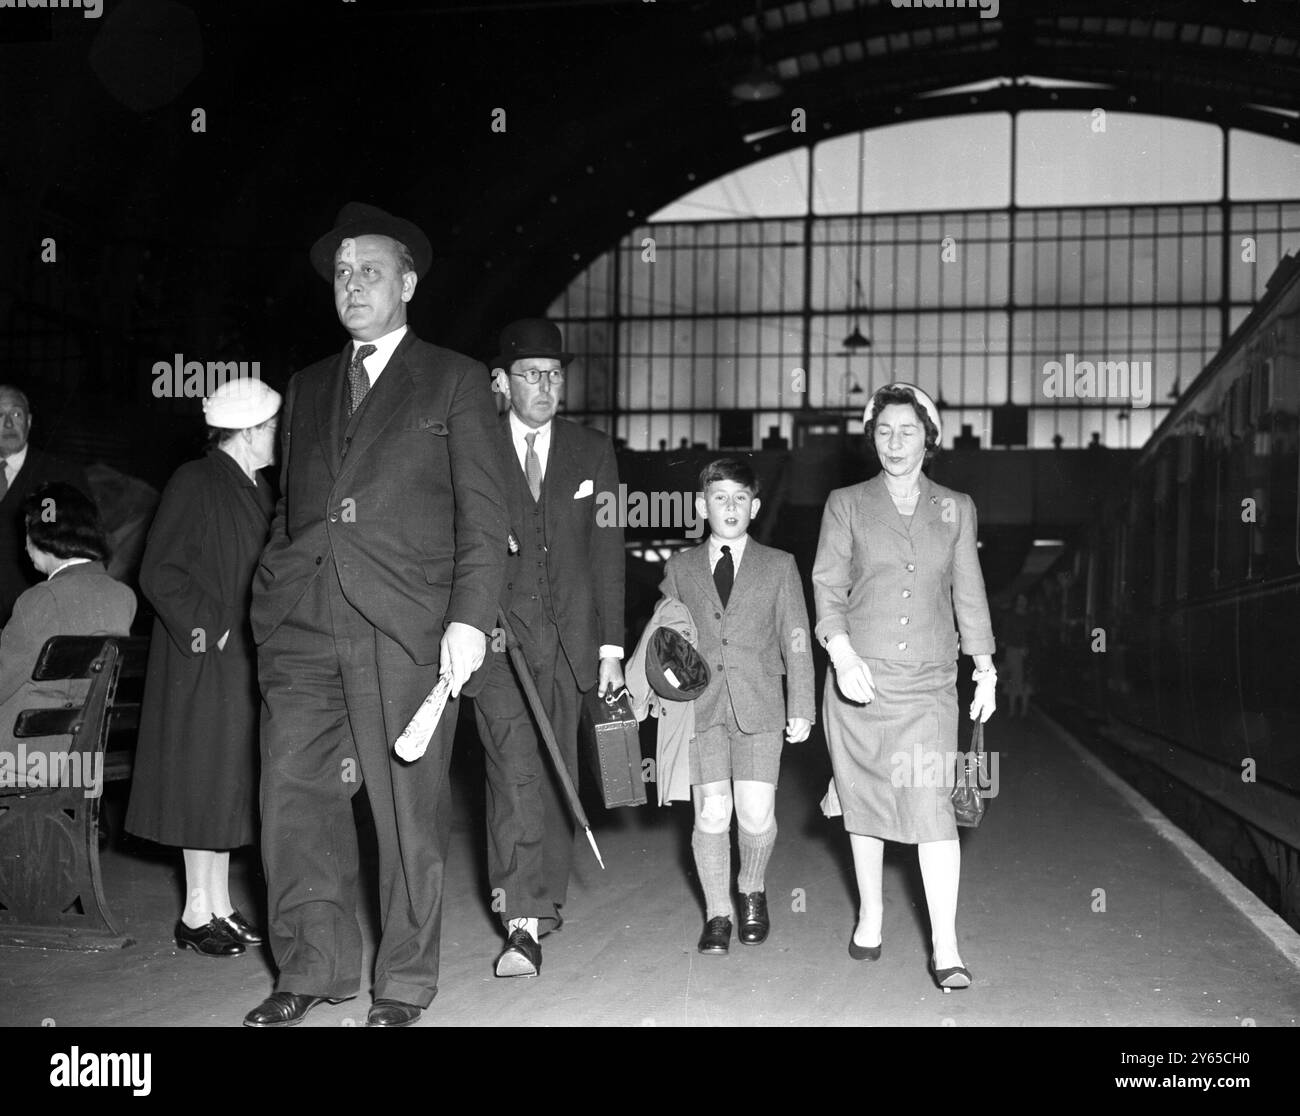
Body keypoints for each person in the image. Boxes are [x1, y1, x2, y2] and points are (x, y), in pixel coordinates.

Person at [244, 203, 508, 1028]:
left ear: (408, 282)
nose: (352, 285)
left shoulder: (457, 379)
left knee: (406, 816)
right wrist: (273, 603)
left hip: (407, 631)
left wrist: (469, 619)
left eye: (370, 270)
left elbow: (485, 516)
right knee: (293, 804)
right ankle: (311, 967)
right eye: (342, 273)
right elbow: (294, 510)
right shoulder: (308, 384)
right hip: (304, 625)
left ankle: (401, 985)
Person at [812, 383, 995, 990]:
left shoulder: (956, 507)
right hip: (858, 681)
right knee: (863, 804)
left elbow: (968, 592)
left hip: (930, 685)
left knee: (931, 809)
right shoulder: (846, 503)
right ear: (873, 438)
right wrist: (839, 654)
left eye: (908, 431)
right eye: (884, 431)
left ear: (929, 438)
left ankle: (945, 944)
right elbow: (827, 588)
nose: (895, 442)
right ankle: (871, 914)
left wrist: (986, 668)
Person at [469, 318, 625, 978]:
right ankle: (521, 922)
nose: (546, 386)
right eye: (531, 374)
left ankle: (544, 902)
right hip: (499, 643)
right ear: (501, 382)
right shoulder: (472, 449)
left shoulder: (594, 451)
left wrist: (612, 647)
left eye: (556, 374)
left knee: (561, 777)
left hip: (572, 643)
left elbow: (609, 553)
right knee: (514, 774)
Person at [125, 378, 283, 959]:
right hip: (203, 662)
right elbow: (160, 572)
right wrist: (209, 632)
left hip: (239, 660)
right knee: (203, 784)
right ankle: (195, 912)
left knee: (224, 786)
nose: (276, 440)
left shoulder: (256, 488)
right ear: (246, 432)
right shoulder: (197, 479)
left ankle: (217, 904)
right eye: (269, 430)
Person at [655, 458, 814, 955]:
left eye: (740, 498)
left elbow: (797, 639)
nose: (730, 507)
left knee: (755, 811)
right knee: (711, 814)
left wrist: (802, 705)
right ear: (703, 505)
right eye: (719, 497)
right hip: (700, 710)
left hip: (761, 705)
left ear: (755, 506)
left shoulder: (779, 565)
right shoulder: (679, 568)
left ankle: (752, 887)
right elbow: (664, 641)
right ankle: (718, 913)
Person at [0, 483, 135, 787]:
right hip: (82, 757)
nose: (23, 545)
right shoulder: (124, 597)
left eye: (26, 533)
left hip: (22, 756)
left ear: (44, 536)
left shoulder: (43, 598)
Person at [0, 386, 93, 626]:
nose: (9, 424)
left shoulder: (61, 474)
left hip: (37, 619)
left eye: (17, 414)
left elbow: (87, 544)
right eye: (0, 415)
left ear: (29, 421)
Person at [1000, 593, 1034, 718]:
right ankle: (1012, 710)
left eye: (1024, 599)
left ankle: (1023, 711)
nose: (1022, 602)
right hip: (1013, 652)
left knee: (1025, 682)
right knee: (1013, 681)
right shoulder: (1010, 617)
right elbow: (1004, 638)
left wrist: (1028, 648)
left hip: (1026, 655)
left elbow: (1032, 635)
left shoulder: (1029, 617)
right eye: (1020, 599)